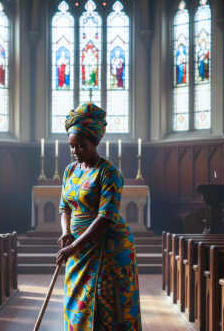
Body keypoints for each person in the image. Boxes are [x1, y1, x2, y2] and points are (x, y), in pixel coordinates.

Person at [56, 103, 142, 331]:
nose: (75, 151)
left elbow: (106, 217)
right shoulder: (69, 171)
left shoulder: (109, 172)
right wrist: (66, 233)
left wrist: (74, 245)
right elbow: (64, 206)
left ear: (95, 142)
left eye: (81, 146)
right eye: (72, 146)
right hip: (77, 245)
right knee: (77, 301)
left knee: (108, 304)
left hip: (109, 246)